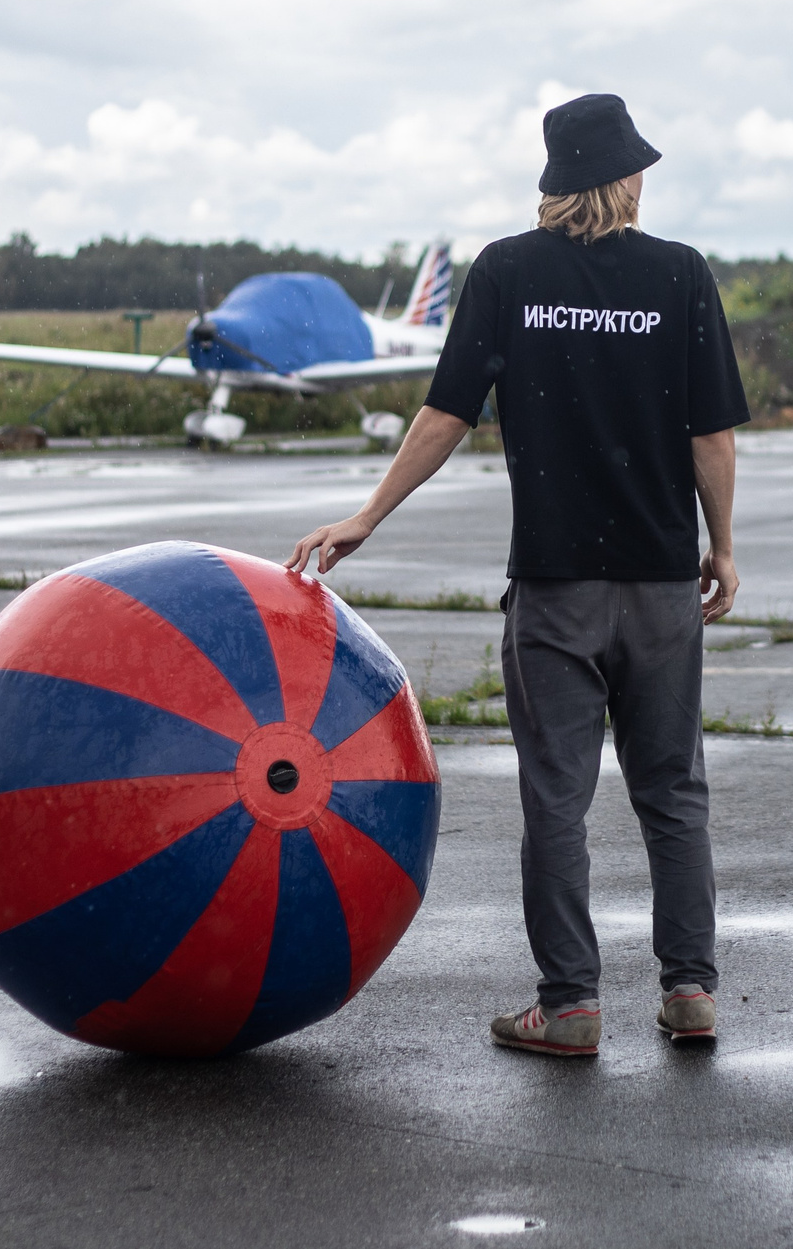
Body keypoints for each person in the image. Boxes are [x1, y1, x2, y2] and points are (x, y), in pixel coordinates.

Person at [290, 93, 749, 1058]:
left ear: (555, 183)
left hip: (555, 590)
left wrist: (369, 514)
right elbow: (711, 433)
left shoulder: (507, 273)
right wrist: (722, 544)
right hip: (663, 585)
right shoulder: (680, 275)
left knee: (557, 799)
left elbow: (446, 414)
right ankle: (691, 988)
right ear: (625, 178)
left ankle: (571, 1005)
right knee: (673, 792)